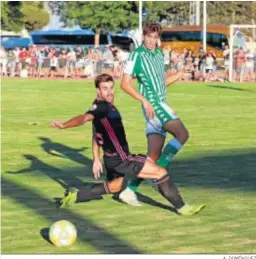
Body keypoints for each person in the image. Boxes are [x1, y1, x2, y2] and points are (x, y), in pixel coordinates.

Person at [52, 73, 205, 215]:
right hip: (122, 159)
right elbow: (84, 118)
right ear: (97, 91)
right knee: (160, 172)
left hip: (112, 159)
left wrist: (96, 158)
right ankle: (183, 208)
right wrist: (65, 125)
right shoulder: (101, 107)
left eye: (111, 88)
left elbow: (95, 133)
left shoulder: (105, 106)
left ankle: (75, 196)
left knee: (115, 186)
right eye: (105, 89)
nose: (110, 92)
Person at [120, 21, 191, 204]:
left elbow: (162, 83)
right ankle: (157, 175)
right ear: (143, 36)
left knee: (152, 156)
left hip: (159, 104)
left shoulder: (159, 54)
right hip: (154, 104)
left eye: (155, 37)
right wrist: (143, 100)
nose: (152, 41)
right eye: (149, 37)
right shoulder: (137, 55)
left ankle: (129, 190)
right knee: (182, 133)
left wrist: (180, 73)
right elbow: (124, 83)